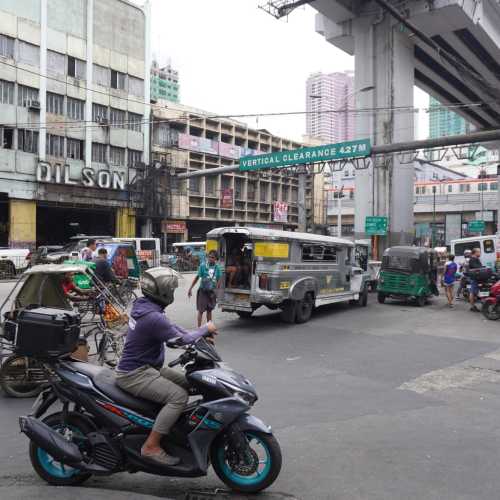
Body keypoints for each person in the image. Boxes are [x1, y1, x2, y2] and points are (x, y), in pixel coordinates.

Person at [116, 267, 217, 466]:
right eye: (171, 290)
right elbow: (179, 340)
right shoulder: (152, 317)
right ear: (163, 292)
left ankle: (174, 430)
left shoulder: (145, 305)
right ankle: (151, 446)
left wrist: (198, 335)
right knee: (179, 397)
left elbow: (172, 329)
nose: (172, 293)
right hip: (135, 373)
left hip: (149, 367)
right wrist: (205, 328)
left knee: (193, 382)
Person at [187, 250, 222, 327]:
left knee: (209, 311)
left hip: (211, 292)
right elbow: (197, 277)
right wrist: (190, 288)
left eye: (212, 257)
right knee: (201, 311)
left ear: (216, 259)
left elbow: (219, 280)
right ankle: (199, 329)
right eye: (209, 257)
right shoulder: (203, 266)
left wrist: (216, 291)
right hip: (202, 291)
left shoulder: (218, 268)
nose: (210, 259)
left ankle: (209, 329)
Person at [468, 247, 483, 312]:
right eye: (479, 252)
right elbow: (476, 267)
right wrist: (482, 268)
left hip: (477, 277)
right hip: (474, 278)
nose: (480, 253)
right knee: (472, 292)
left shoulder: (476, 258)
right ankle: (472, 307)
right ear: (475, 252)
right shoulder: (472, 259)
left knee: (475, 292)